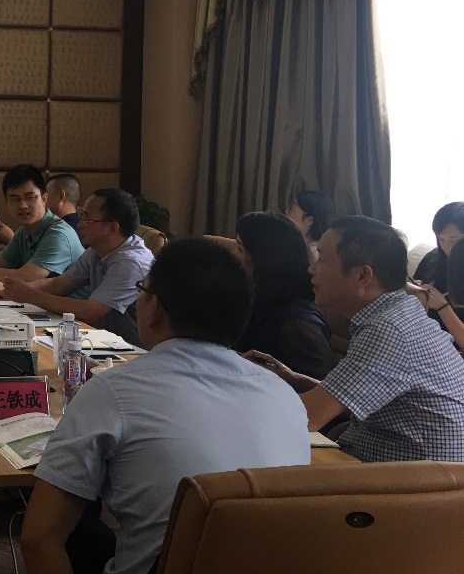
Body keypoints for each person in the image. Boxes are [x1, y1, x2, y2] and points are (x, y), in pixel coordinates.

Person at [21, 238, 309, 574]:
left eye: (142, 289)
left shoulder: (112, 391)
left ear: (154, 306)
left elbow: (38, 538)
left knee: (69, 524)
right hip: (273, 563)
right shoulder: (283, 394)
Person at [248, 215, 464, 462]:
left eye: (322, 259)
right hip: (387, 465)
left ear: (362, 276)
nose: (311, 269)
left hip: (407, 480)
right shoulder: (399, 312)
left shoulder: (389, 330)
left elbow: (305, 417)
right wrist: (294, 379)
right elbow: (352, 394)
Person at [0, 189, 154, 343]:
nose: (80, 224)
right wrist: (9, 289)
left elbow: (91, 312)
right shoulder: (97, 250)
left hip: (134, 348)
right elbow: (60, 284)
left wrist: (30, 296)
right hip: (104, 339)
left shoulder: (131, 262)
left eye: (87, 219)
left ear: (112, 227)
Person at [232, 211, 335, 379]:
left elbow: (321, 387)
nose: (233, 255)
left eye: (240, 248)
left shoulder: (297, 325)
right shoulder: (257, 297)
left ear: (265, 260)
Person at [0, 165, 82, 282]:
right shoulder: (24, 232)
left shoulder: (58, 234)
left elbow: (26, 276)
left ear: (44, 199)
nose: (23, 205)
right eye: (15, 199)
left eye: (30, 197)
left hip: (69, 301)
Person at [409, 200, 464, 295]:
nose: (446, 247)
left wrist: (442, 303)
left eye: (453, 241)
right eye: (441, 239)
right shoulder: (433, 258)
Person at [286, 188, 334, 262]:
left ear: (309, 220)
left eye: (293, 207)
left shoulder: (313, 255)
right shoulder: (301, 246)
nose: (287, 211)